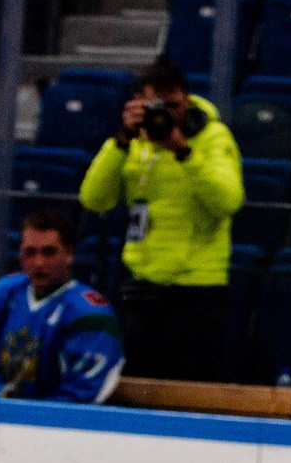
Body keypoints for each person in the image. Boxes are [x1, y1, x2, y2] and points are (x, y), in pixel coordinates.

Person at [77, 56, 242, 383]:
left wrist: (183, 152)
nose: (165, 115)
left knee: (187, 391)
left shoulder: (213, 137)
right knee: (137, 388)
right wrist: (121, 141)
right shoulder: (134, 142)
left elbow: (228, 201)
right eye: (156, 106)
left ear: (187, 101)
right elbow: (94, 199)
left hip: (196, 289)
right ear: (138, 102)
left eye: (172, 106)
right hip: (143, 285)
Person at [0, 212, 125, 405]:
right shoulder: (4, 293)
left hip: (52, 420)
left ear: (69, 254)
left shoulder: (91, 315)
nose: (38, 263)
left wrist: (27, 417)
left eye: (49, 252)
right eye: (30, 252)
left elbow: (81, 395)